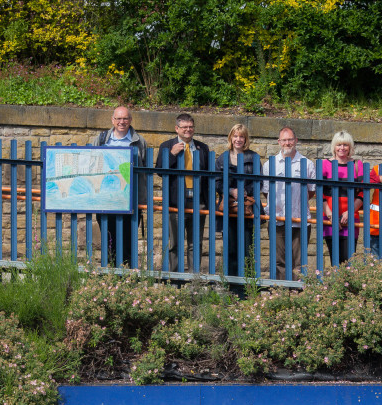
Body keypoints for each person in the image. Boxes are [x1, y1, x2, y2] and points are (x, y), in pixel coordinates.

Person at [94, 105, 148, 267]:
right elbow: (93, 161)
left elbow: (143, 171)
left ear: (130, 120)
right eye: (118, 118)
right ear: (113, 120)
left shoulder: (139, 141)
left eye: (125, 118)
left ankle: (127, 274)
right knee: (109, 238)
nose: (122, 122)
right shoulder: (102, 139)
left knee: (128, 238)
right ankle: (110, 272)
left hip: (130, 200)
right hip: (106, 199)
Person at [156, 113, 210, 273]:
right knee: (175, 242)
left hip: (198, 200)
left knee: (195, 243)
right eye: (184, 127)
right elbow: (159, 170)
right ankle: (175, 278)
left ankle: (194, 278)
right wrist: (172, 155)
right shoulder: (167, 146)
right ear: (177, 129)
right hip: (175, 200)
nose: (188, 130)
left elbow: (208, 175)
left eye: (191, 127)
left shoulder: (202, 148)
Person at [261, 127, 316, 281]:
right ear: (279, 142)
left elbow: (311, 192)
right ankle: (281, 291)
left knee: (299, 262)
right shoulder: (269, 165)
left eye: (290, 139)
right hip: (277, 219)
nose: (287, 143)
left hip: (300, 220)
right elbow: (266, 191)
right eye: (284, 140)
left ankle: (296, 292)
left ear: (296, 141)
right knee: (279, 261)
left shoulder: (307, 164)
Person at [216, 124, 261, 277]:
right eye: (235, 136)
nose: (238, 139)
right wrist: (231, 191)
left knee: (247, 248)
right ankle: (231, 285)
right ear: (231, 138)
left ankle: (246, 286)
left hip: (247, 208)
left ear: (246, 139)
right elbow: (217, 182)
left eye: (241, 136)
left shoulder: (254, 157)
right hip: (228, 208)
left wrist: (246, 191)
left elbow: (259, 182)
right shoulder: (222, 158)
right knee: (230, 248)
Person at [320, 130, 364, 267]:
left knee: (348, 259)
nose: (342, 148)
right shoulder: (324, 165)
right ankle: (337, 287)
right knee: (335, 260)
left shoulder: (357, 165)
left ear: (350, 147)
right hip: (329, 218)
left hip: (351, 218)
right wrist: (330, 215)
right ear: (334, 147)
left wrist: (350, 211)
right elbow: (320, 194)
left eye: (345, 145)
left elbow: (362, 193)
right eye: (339, 145)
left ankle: (347, 288)